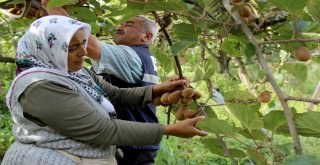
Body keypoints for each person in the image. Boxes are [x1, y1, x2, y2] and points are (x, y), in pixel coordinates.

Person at [1, 16, 208, 165]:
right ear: (47, 49)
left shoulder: (77, 72)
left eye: (83, 43)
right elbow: (101, 130)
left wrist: (158, 89)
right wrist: (169, 130)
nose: (84, 52)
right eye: (72, 48)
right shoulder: (40, 86)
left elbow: (117, 95)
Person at [40, 2, 168, 164]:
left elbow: (88, 45)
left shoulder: (129, 56)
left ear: (147, 36)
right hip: (135, 141)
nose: (120, 27)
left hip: (131, 145)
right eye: (121, 23)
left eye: (129, 24)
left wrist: (51, 6)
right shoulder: (140, 57)